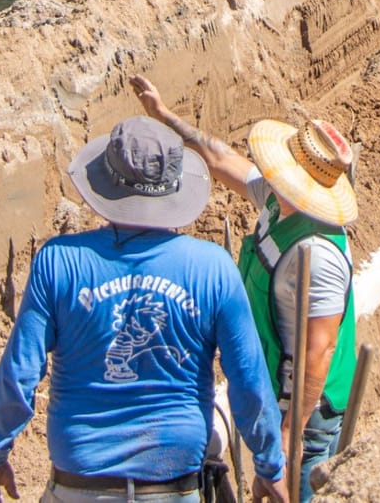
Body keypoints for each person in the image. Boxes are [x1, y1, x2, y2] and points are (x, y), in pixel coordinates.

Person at [0, 116, 290, 503]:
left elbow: (19, 375)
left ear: (106, 184)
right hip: (173, 487)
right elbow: (248, 382)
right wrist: (270, 466)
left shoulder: (58, 263)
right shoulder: (213, 269)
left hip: (78, 485)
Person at [131, 77, 356, 503]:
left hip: (308, 412)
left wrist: (288, 437)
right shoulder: (278, 202)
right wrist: (164, 115)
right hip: (276, 387)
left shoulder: (319, 254)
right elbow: (220, 159)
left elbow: (320, 351)